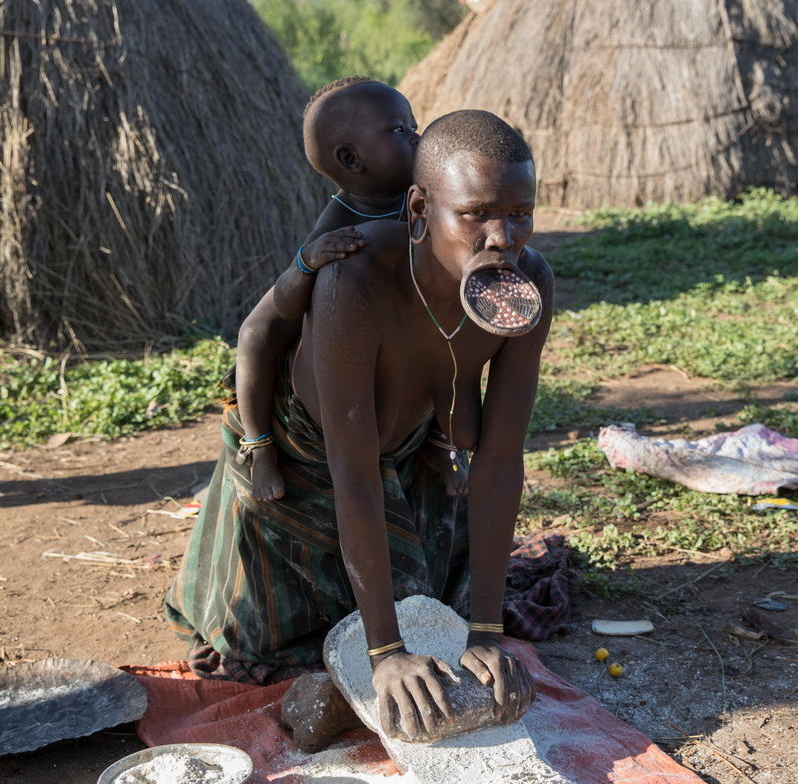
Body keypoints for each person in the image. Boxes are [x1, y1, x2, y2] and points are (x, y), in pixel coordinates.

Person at [165, 109, 552, 743]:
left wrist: (486, 631)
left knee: (439, 605)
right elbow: (352, 472)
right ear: (420, 208)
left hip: (405, 445)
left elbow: (500, 460)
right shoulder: (355, 278)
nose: (502, 237)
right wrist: (386, 655)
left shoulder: (526, 283)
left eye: (519, 213)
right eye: (476, 214)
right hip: (310, 453)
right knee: (266, 639)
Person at [235, 76, 419, 502]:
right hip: (318, 321)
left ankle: (444, 446)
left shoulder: (424, 195)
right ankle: (259, 446)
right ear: (352, 159)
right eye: (399, 129)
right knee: (254, 336)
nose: (417, 136)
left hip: (396, 331)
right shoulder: (341, 216)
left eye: (414, 124)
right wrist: (309, 260)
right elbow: (289, 303)